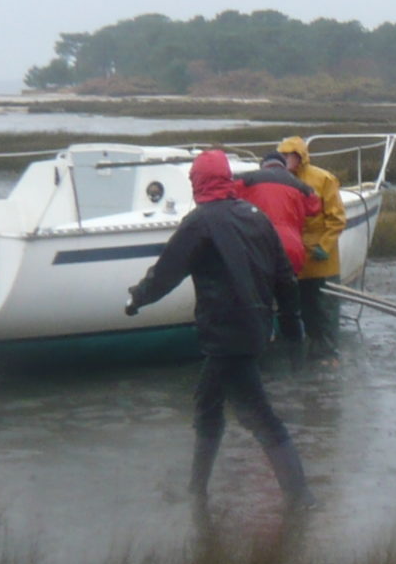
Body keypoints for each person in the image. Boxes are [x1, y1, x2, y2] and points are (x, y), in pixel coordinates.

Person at [125, 149, 311, 507]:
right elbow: (285, 278)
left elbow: (165, 273)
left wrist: (136, 300)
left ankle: (301, 497)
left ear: (198, 182)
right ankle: (197, 489)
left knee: (259, 417)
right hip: (253, 329)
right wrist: (291, 326)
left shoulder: (200, 222)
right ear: (226, 179)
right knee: (207, 406)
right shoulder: (256, 217)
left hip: (228, 336)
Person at [236, 151, 321, 352]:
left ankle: (262, 353)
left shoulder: (247, 180)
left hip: (259, 248)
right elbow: (315, 207)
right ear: (282, 165)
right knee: (290, 309)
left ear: (263, 164)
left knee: (260, 306)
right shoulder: (300, 186)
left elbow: (228, 197)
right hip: (291, 250)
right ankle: (295, 354)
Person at [278, 135, 347, 358]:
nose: (287, 159)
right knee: (304, 311)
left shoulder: (323, 179)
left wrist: (325, 246)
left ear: (300, 156)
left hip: (323, 261)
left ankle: (329, 355)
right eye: (284, 154)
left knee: (326, 311)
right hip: (297, 261)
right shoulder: (280, 180)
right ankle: (307, 355)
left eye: (290, 154)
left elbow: (336, 218)